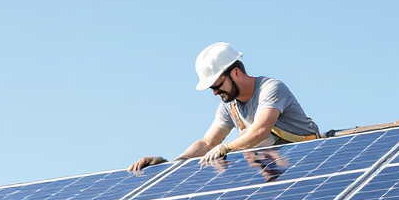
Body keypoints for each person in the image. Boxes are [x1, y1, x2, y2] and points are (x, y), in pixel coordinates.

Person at [130, 42, 321, 172]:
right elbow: (207, 143)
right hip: (276, 172)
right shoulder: (230, 107)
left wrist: (227, 147)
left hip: (306, 164)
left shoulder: (270, 89)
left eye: (217, 85)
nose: (214, 92)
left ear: (236, 73)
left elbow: (261, 130)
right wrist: (171, 166)